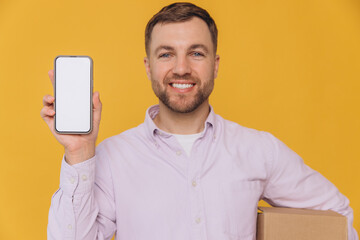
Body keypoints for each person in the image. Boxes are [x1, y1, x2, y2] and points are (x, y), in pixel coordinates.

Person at [41, 2, 358, 240]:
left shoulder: (259, 150)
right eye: (166, 54)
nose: (181, 68)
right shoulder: (112, 158)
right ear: (148, 67)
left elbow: (339, 218)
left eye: (196, 53)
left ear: (215, 64)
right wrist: (80, 152)